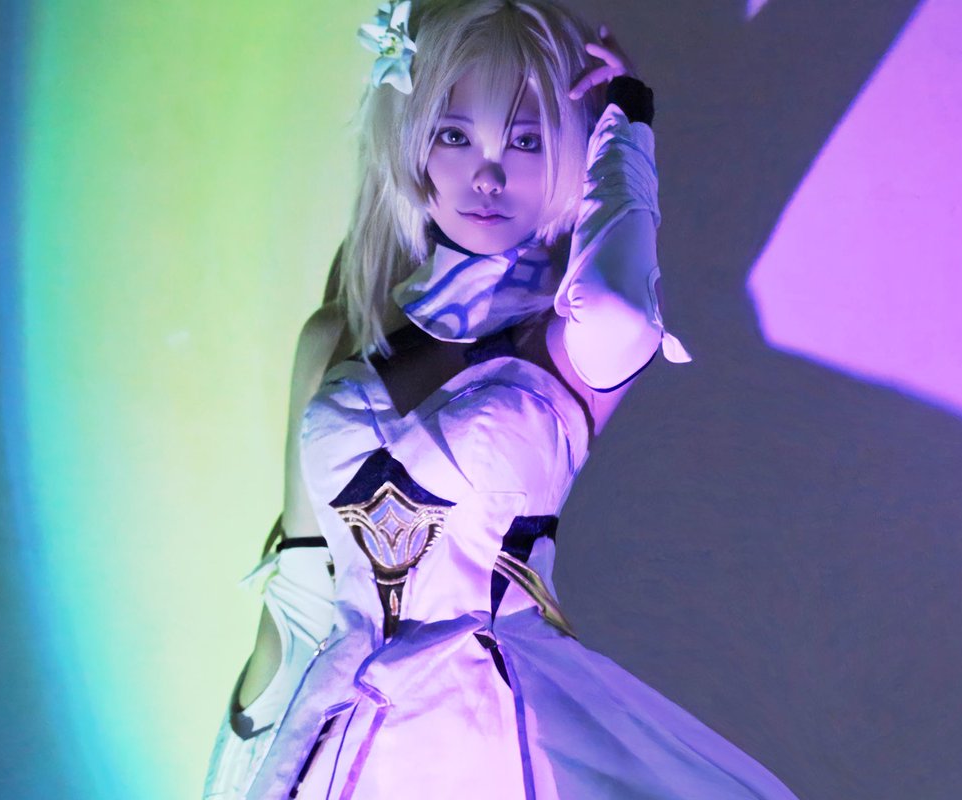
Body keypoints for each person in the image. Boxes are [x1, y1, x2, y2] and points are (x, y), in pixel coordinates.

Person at [205, 1, 800, 797]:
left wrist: (627, 123)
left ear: (569, 146)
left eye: (525, 140)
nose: (487, 174)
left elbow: (619, 305)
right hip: (332, 735)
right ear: (410, 136)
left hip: (486, 729)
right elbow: (302, 591)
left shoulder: (565, 344)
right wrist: (244, 756)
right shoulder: (337, 334)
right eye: (455, 135)